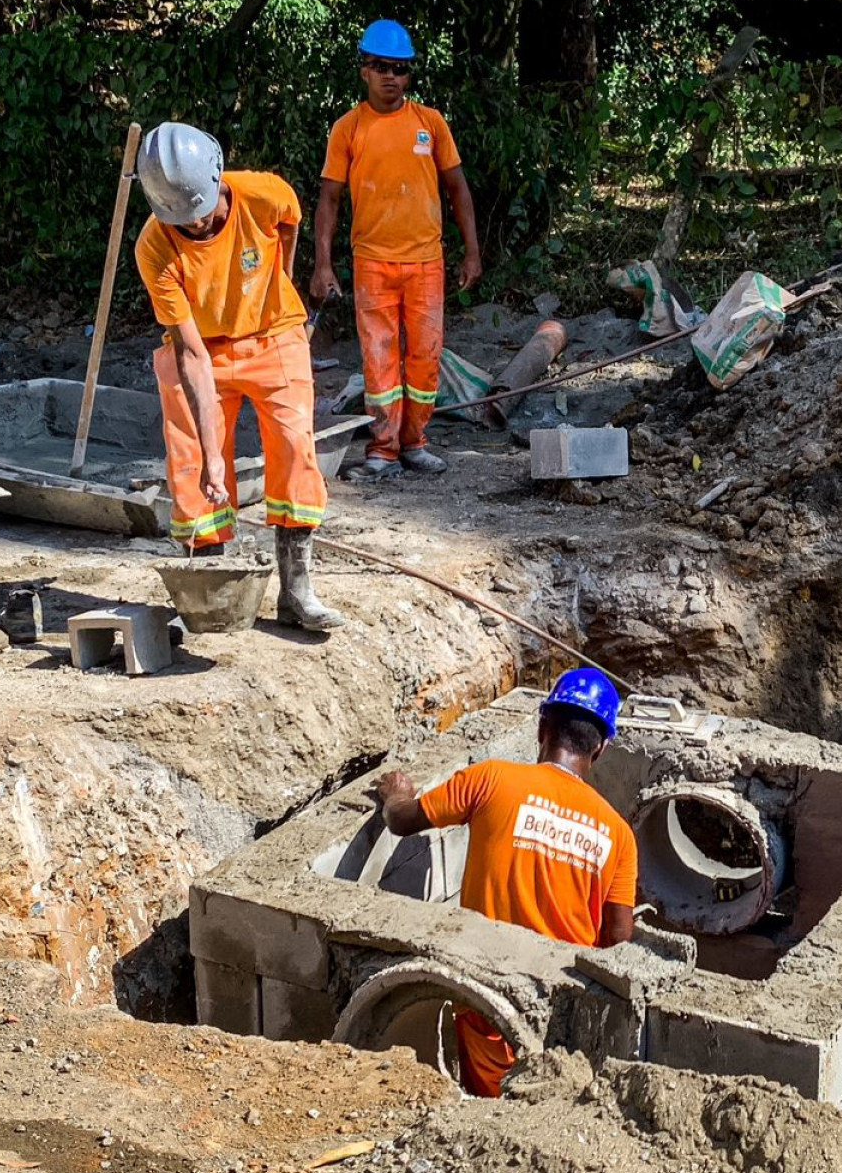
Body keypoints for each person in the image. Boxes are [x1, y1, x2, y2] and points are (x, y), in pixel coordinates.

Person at [374, 668, 637, 1097]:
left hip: (489, 1003)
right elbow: (618, 946)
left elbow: (403, 821)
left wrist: (396, 792)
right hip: (564, 1015)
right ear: (602, 748)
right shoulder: (618, 834)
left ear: (542, 727)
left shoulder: (491, 779)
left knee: (492, 1116)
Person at [133, 121, 343, 631]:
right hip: (201, 347)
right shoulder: (154, 247)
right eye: (184, 220)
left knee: (296, 447)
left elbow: (289, 223)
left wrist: (281, 286)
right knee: (190, 462)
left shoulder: (264, 195)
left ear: (217, 179)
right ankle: (209, 591)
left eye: (202, 214)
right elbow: (191, 356)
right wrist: (211, 459)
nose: (196, 227)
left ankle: (296, 593)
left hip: (274, 334)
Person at [312, 18, 481, 483]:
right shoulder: (348, 129)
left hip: (426, 263)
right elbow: (329, 198)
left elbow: (457, 189)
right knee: (380, 362)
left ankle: (415, 443)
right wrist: (322, 264)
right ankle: (382, 449)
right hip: (372, 263)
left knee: (425, 359)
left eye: (401, 69)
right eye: (382, 67)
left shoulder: (431, 123)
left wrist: (472, 252)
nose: (392, 77)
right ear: (364, 70)